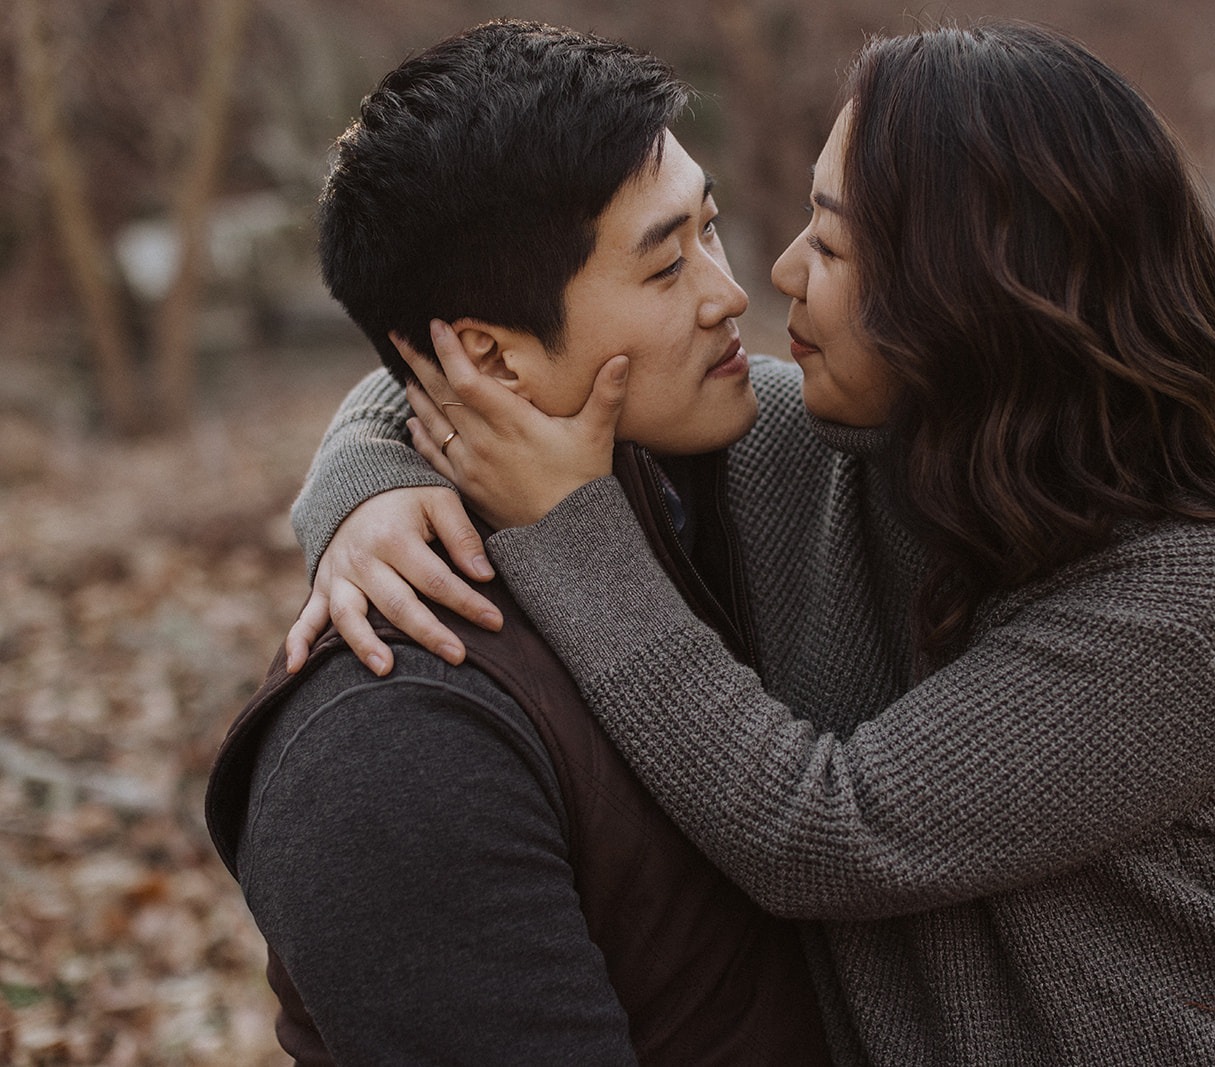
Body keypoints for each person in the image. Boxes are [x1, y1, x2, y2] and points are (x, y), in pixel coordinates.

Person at [285, 21, 1215, 1067]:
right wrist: (365, 479)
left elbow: (826, 829)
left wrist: (565, 529)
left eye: (833, 242)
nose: (771, 278)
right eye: (682, 254)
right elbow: (462, 355)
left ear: (970, 295)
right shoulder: (817, 449)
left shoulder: (1187, 588)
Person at [203, 20, 832, 1065]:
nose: (730, 294)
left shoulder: (703, 486)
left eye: (708, 229)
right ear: (489, 358)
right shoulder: (391, 740)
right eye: (667, 264)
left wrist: (363, 452)